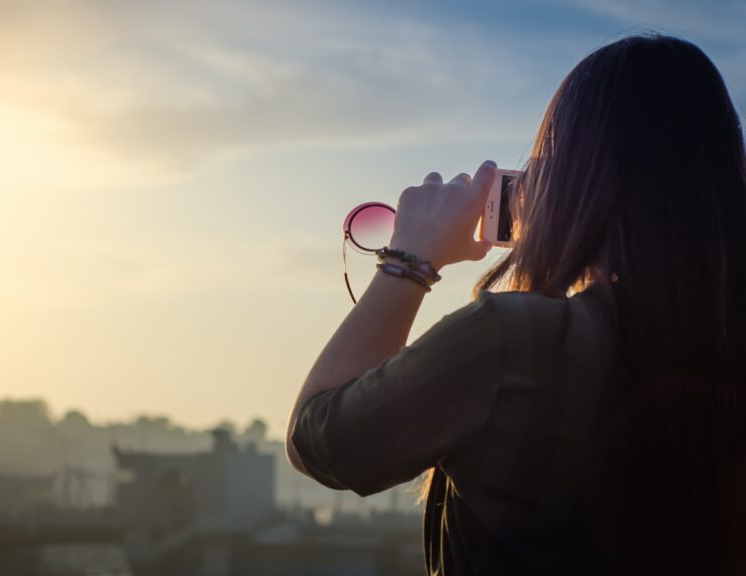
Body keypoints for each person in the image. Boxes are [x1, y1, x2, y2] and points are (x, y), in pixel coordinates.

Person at [285, 34, 746, 575]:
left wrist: (409, 260)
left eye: (546, 159)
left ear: (577, 177)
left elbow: (320, 440)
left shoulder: (517, 344)